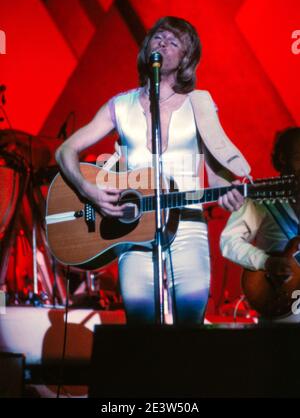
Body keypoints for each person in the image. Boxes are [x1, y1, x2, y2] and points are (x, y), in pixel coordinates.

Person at [55, 16, 249, 324]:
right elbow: (65, 149)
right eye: (158, 38)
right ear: (147, 47)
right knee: (140, 323)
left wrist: (229, 193)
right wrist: (87, 188)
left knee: (190, 322)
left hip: (187, 224)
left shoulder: (199, 103)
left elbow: (216, 175)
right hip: (132, 228)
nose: (162, 44)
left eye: (174, 43)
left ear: (186, 59)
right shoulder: (119, 105)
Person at [220, 127, 300, 322]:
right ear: (282, 158)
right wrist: (265, 262)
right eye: (299, 157)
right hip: (281, 302)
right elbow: (229, 242)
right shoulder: (260, 197)